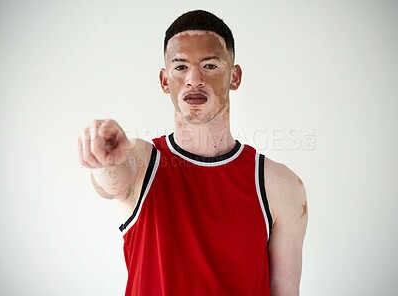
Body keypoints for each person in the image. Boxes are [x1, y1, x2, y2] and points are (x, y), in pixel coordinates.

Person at [77, 10, 307, 296]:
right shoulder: (142, 161)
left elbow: (285, 290)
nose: (194, 79)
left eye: (210, 66)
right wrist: (104, 158)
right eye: (180, 67)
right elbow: (112, 181)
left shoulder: (279, 185)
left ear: (234, 77)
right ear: (164, 80)